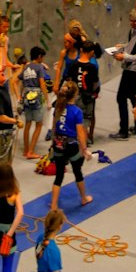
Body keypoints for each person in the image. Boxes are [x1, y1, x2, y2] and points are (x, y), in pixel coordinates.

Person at [49, 80, 93, 212]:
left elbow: (53, 127)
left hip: (58, 142)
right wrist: (84, 149)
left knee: (59, 175)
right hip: (71, 145)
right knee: (77, 171)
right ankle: (83, 198)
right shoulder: (76, 111)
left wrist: (53, 143)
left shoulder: (58, 107)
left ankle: (54, 204)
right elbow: (80, 133)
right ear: (76, 95)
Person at [109, 6, 136, 138]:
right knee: (133, 98)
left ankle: (124, 131)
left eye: (135, 21)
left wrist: (124, 57)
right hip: (129, 67)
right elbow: (133, 46)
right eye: (131, 21)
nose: (133, 23)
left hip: (133, 69)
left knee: (121, 97)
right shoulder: (134, 30)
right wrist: (122, 47)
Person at [20, 45, 52, 160]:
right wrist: (47, 99)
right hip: (37, 95)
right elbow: (42, 83)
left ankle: (25, 149)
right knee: (38, 124)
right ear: (39, 56)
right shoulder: (39, 68)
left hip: (26, 95)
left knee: (28, 123)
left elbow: (22, 83)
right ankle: (31, 151)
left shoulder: (26, 67)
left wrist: (20, 96)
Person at [76, 40, 101, 139]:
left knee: (82, 118)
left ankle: (87, 136)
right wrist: (94, 92)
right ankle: (86, 138)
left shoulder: (77, 65)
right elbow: (95, 82)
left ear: (81, 50)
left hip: (79, 95)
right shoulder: (92, 66)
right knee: (87, 118)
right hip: (88, 95)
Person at [53, 21, 86, 90]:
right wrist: (56, 83)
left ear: (72, 43)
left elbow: (84, 40)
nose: (64, 44)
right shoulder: (64, 52)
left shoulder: (80, 52)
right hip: (67, 78)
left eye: (66, 42)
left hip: (77, 79)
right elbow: (59, 68)